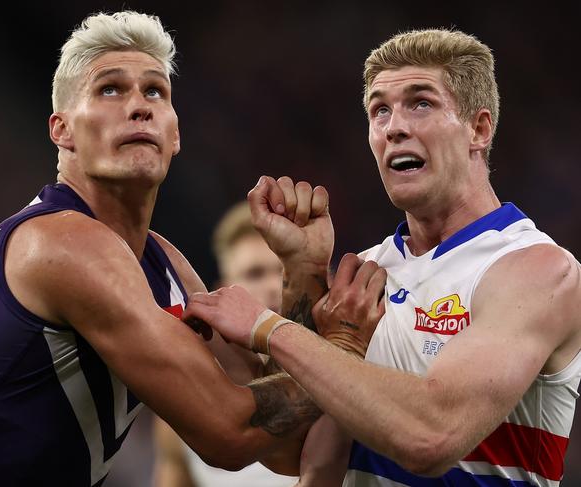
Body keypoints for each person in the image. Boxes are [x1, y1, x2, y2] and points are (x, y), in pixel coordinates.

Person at [0, 11, 370, 486]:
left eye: (155, 91)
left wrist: (301, 270)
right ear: (61, 131)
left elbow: (285, 445)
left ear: (175, 134)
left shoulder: (163, 265)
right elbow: (230, 432)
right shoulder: (60, 244)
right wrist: (342, 348)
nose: (138, 106)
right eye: (110, 89)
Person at [183, 28, 581, 486]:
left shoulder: (535, 269)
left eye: (421, 103)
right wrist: (304, 271)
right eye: (380, 110)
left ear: (479, 128)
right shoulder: (367, 272)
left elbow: (430, 437)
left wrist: (270, 329)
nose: (394, 127)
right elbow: (288, 449)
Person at [153, 200, 297, 487]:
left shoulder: (333, 384)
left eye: (283, 273)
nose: (272, 286)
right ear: (224, 288)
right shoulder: (187, 403)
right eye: (254, 273)